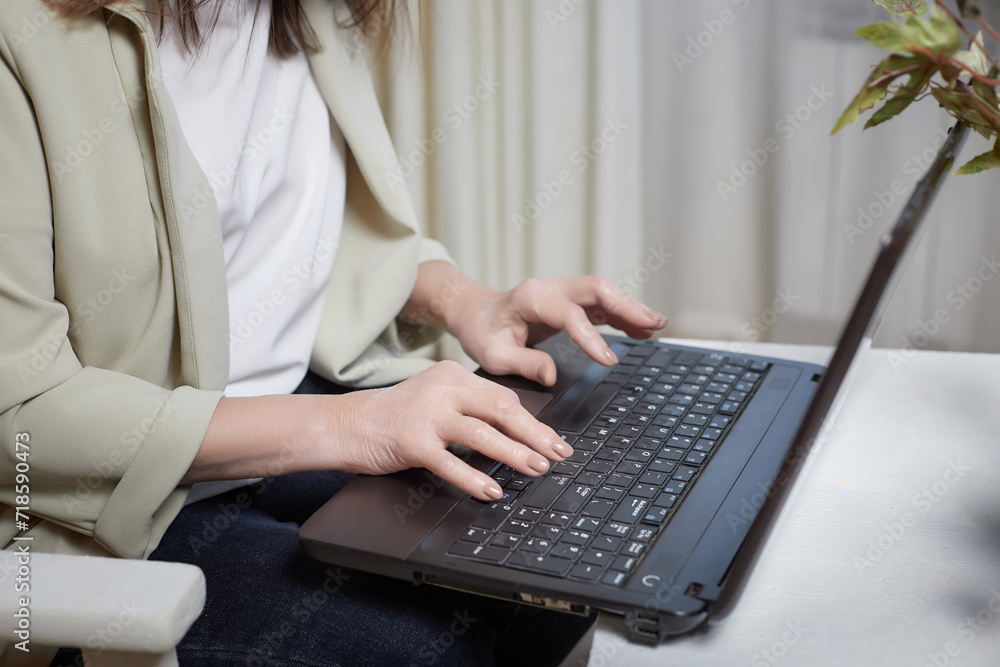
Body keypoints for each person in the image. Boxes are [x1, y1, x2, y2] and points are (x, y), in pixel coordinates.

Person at [0, 0, 667, 664]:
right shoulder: (21, 39)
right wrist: (352, 425)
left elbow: (292, 235)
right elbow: (20, 416)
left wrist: (466, 302)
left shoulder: (303, 12)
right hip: (96, 514)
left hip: (292, 410)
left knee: (546, 559)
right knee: (428, 649)